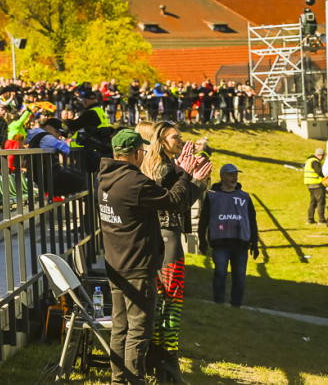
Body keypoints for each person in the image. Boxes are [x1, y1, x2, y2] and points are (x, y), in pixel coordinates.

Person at [97, 128, 210, 385]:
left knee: (120, 328)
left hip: (115, 264)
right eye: (142, 151)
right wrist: (187, 175)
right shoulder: (135, 183)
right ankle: (134, 380)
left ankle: (118, 381)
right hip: (138, 267)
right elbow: (173, 201)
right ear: (136, 154)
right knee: (138, 331)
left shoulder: (103, 179)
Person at [139, 121, 205, 382]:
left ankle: (159, 361)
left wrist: (192, 178)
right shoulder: (165, 169)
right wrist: (193, 180)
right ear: (161, 141)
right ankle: (168, 363)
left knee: (161, 303)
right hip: (168, 237)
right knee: (172, 301)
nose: (180, 140)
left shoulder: (160, 166)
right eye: (175, 137)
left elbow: (178, 201)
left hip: (161, 237)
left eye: (180, 136)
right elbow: (177, 204)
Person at [197, 164, 259, 307]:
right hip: (220, 243)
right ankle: (219, 302)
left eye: (236, 174)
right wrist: (202, 240)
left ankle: (236, 304)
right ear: (222, 176)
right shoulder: (212, 196)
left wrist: (254, 244)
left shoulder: (245, 197)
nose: (234, 177)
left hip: (241, 244)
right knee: (220, 273)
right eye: (231, 174)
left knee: (240, 277)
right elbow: (203, 220)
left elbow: (252, 221)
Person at [304, 147, 326, 225]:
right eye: (323, 155)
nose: (323, 157)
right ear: (320, 155)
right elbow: (319, 172)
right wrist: (325, 177)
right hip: (316, 184)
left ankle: (310, 219)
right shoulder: (315, 162)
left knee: (313, 202)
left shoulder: (309, 161)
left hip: (310, 184)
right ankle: (321, 220)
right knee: (321, 202)